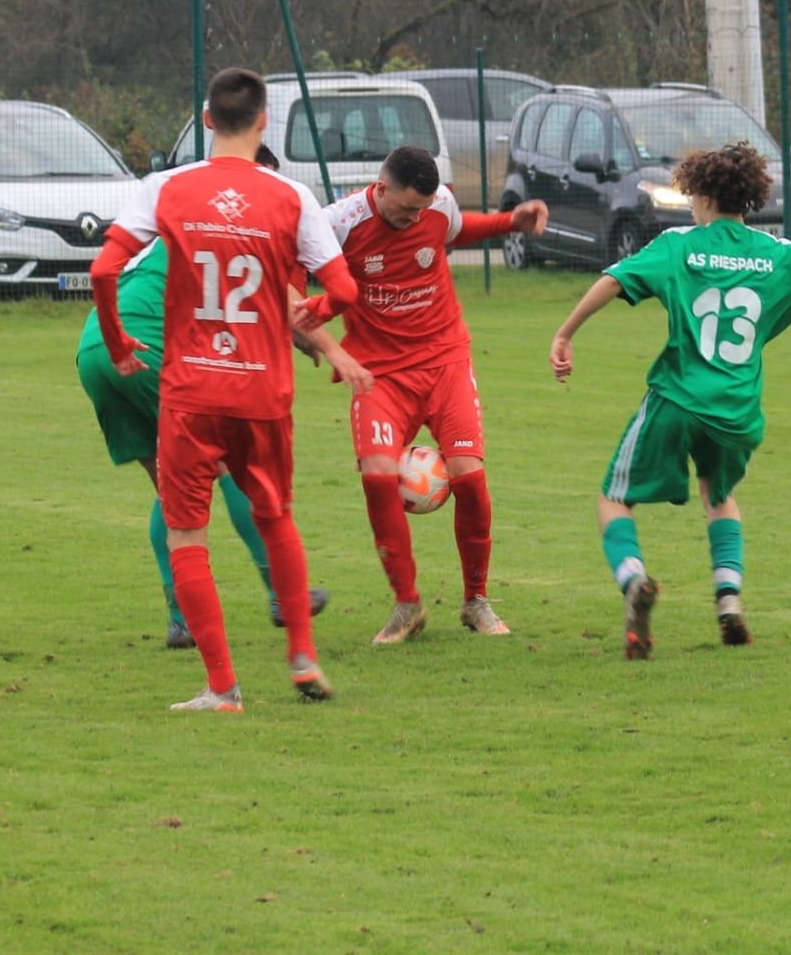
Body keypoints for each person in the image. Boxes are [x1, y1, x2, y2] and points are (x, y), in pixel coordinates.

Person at [89, 67, 361, 711]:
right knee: (276, 520)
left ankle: (222, 688)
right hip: (263, 392)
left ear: (207, 121)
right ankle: (302, 657)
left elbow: (104, 268)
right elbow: (345, 293)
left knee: (189, 534)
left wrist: (122, 342)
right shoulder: (292, 197)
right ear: (265, 121)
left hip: (190, 393)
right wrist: (311, 315)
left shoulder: (165, 188)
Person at [549, 142, 791, 659]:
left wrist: (565, 334)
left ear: (705, 197)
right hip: (737, 410)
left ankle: (633, 582)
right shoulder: (780, 255)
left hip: (678, 398)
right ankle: (729, 601)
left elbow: (614, 280)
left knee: (614, 497)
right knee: (719, 494)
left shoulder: (680, 245)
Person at [313, 144, 548, 645]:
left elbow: (460, 229)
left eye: (420, 210)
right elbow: (300, 276)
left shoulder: (436, 205)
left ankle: (476, 601)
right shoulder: (338, 224)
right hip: (379, 374)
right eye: (404, 209)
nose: (413, 218)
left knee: (471, 477)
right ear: (380, 189)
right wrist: (309, 317)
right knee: (378, 477)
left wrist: (512, 221)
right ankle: (407, 606)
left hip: (444, 361)